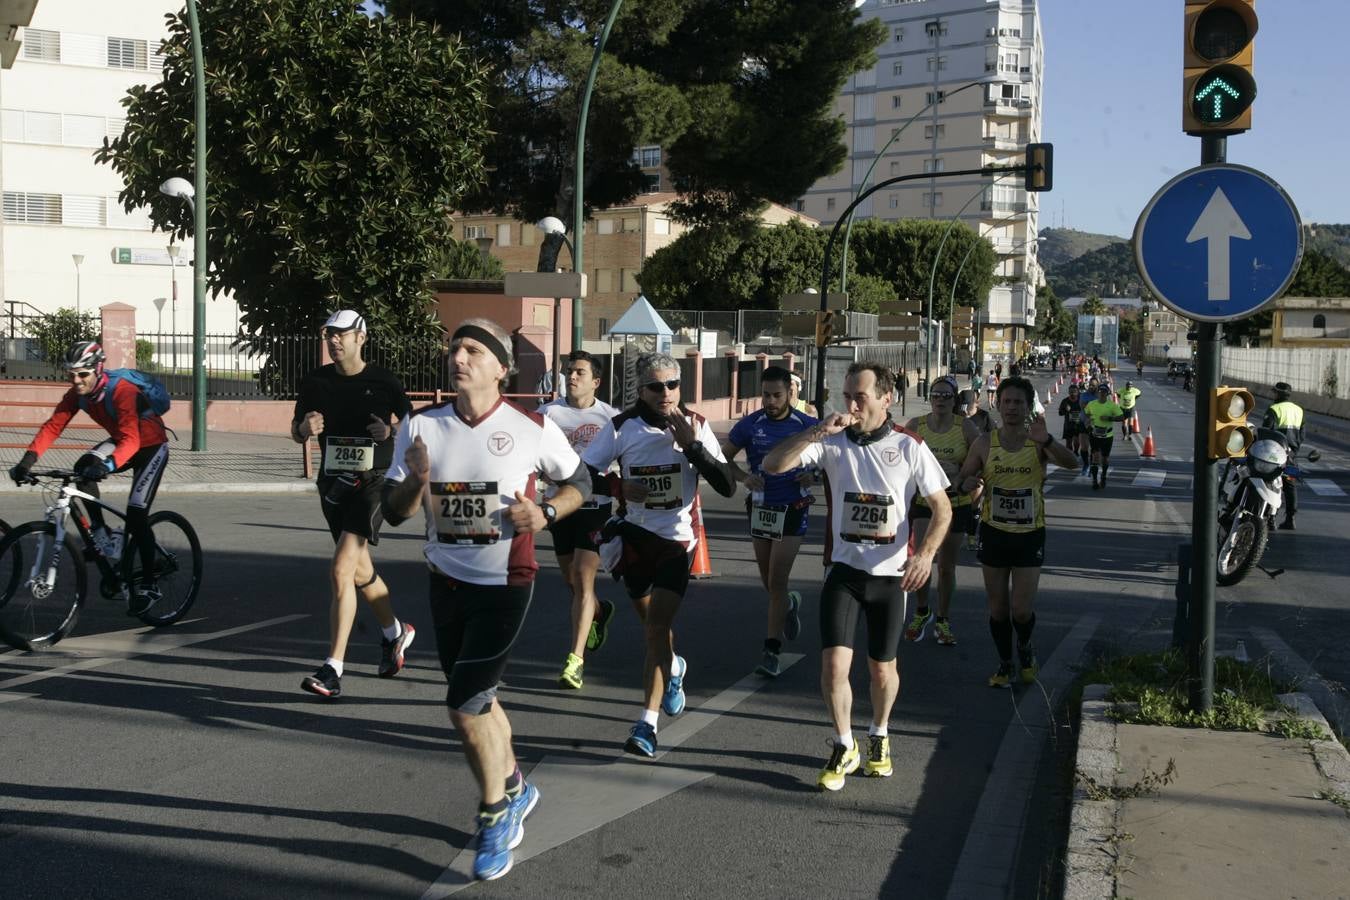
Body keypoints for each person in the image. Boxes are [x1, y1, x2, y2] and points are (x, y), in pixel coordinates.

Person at [382, 317, 591, 882]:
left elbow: (582, 484)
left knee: (462, 704)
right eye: (455, 349)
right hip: (444, 582)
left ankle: (495, 813)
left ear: (501, 367)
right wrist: (416, 480)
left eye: (474, 350)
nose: (460, 358)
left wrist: (547, 512)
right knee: (481, 698)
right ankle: (518, 786)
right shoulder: (423, 427)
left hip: (506, 584)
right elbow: (396, 510)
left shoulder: (532, 429)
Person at [764, 363, 951, 791]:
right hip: (843, 573)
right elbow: (774, 465)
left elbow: (943, 508)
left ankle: (880, 735)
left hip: (890, 579)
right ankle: (844, 743)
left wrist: (925, 555)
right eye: (846, 395)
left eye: (860, 397)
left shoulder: (909, 447)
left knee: (882, 670)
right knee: (833, 668)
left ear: (886, 399)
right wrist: (814, 433)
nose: (850, 405)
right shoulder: (832, 443)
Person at [582, 352, 738, 758]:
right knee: (652, 625)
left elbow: (726, 486)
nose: (666, 393)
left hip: (677, 541)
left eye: (672, 384)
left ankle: (647, 725)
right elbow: (584, 474)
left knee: (654, 630)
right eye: (656, 386)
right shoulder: (620, 428)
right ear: (641, 389)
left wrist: (693, 450)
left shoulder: (696, 426)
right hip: (634, 537)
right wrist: (617, 488)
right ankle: (674, 669)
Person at [292, 310, 415, 700]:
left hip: (373, 483)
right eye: (329, 335)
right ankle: (396, 633)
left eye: (341, 335)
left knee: (342, 568)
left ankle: (333, 668)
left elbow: (411, 425)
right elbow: (296, 430)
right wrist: (304, 429)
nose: (334, 341)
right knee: (361, 574)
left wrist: (391, 430)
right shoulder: (316, 382)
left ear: (361, 337)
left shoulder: (383, 381)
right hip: (333, 485)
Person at [8, 340, 169, 615]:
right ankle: (101, 534)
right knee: (83, 467)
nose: (76, 380)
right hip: (123, 443)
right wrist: (27, 461)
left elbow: (131, 440)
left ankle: (150, 586)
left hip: (150, 447)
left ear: (98, 369)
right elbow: (53, 426)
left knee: (137, 512)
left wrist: (107, 465)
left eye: (82, 374)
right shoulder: (77, 394)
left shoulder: (122, 391)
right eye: (71, 374)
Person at [956, 376, 1080, 688]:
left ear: (1028, 408)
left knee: (1021, 611)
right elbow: (962, 478)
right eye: (1007, 401)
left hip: (1029, 535)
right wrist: (966, 484)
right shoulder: (985, 443)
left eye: (1018, 403)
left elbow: (1074, 464)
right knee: (998, 609)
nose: (1012, 407)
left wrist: (1048, 441)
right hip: (994, 533)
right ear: (998, 404)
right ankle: (1005, 663)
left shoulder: (1037, 442)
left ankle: (1025, 648)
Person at [723, 366, 817, 677]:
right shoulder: (750, 425)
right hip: (762, 508)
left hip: (794, 506)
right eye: (766, 394)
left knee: (777, 579)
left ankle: (771, 650)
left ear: (791, 393)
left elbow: (831, 461)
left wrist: (813, 475)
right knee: (769, 582)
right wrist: (743, 477)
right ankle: (788, 602)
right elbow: (724, 457)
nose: (771, 400)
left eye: (777, 395)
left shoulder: (806, 425)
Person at [540, 351, 620, 689]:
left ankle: (575, 661)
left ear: (596, 381)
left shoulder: (612, 418)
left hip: (595, 505)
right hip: (558, 504)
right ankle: (598, 611)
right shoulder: (547, 414)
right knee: (569, 577)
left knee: (583, 577)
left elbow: (623, 461)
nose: (571, 377)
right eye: (569, 372)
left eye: (579, 372)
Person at [901, 375, 980, 647]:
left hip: (956, 504)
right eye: (936, 395)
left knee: (947, 567)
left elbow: (982, 457)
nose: (940, 400)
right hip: (925, 505)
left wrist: (968, 478)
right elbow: (899, 459)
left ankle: (943, 619)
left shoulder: (966, 427)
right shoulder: (916, 425)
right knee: (923, 560)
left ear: (955, 399)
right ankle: (922, 611)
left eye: (946, 396)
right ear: (929, 397)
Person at [1263, 381, 1305, 530]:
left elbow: (1266, 431)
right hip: (1291, 454)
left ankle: (1270, 518)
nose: (1273, 394)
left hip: (1275, 453)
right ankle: (1290, 518)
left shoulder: (1274, 409)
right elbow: (1301, 435)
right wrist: (1294, 451)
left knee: (1267, 482)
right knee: (1290, 485)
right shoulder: (1299, 410)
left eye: (1274, 392)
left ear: (1278, 394)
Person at [1082, 383, 1127, 490]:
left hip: (1108, 436)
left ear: (1107, 394)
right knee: (1095, 456)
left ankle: (1103, 476)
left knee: (1105, 459)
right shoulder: (1091, 404)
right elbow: (1086, 415)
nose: (1102, 394)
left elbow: (1121, 417)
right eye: (1100, 392)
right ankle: (1094, 480)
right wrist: (1087, 425)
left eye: (1104, 392)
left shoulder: (1112, 405)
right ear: (1097, 393)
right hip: (1095, 434)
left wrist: (1110, 418)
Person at [1057, 384, 1090, 475]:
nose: (1072, 393)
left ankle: (1075, 452)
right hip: (1068, 425)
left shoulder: (1081, 400)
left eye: (1074, 392)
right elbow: (1060, 413)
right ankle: (1070, 457)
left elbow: (1087, 410)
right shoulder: (1065, 401)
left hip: (1079, 425)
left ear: (1078, 392)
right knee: (1068, 443)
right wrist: (1065, 410)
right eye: (1071, 392)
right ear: (1068, 392)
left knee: (1076, 441)